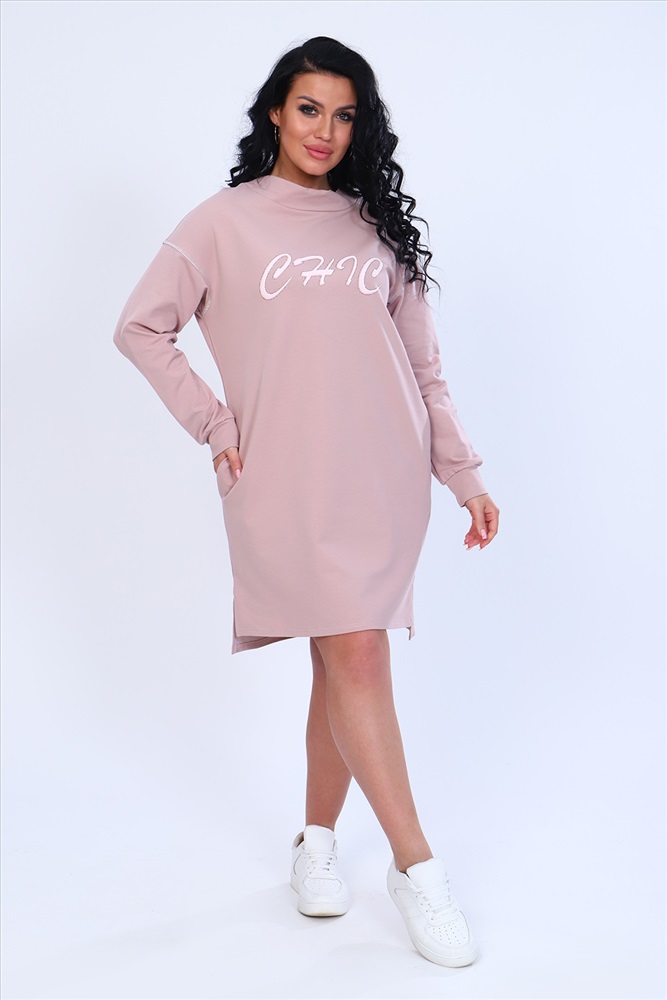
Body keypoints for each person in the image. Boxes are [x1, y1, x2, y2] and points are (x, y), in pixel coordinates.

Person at [113, 36, 499, 969]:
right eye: (308, 108)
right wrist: (214, 423)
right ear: (275, 114)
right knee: (353, 652)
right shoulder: (222, 223)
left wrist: (463, 475)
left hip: (382, 477)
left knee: (344, 660)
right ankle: (418, 868)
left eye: (344, 114)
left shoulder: (375, 229)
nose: (325, 130)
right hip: (283, 480)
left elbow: (425, 372)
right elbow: (140, 326)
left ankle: (316, 844)